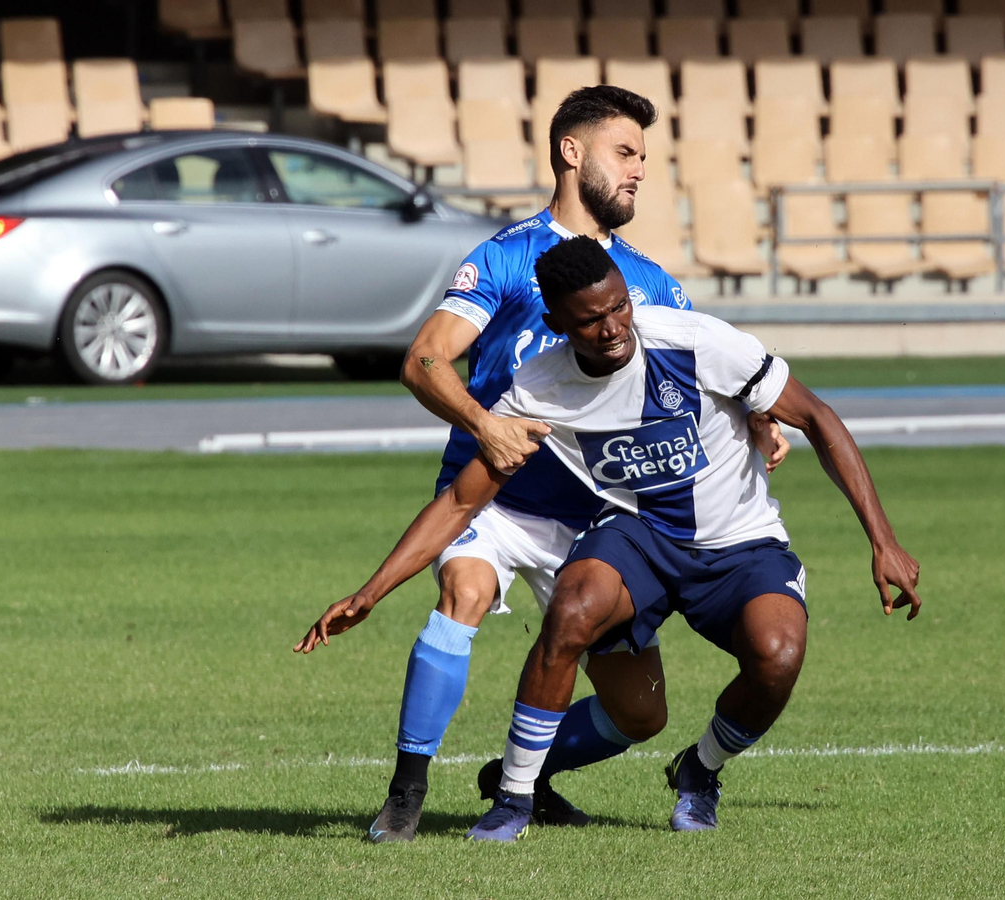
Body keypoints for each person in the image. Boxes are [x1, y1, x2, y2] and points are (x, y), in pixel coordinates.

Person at [297, 236, 922, 841]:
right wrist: (370, 592)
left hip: (742, 540)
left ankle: (699, 771)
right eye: (591, 319)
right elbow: (463, 498)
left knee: (776, 656)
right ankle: (512, 797)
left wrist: (882, 539)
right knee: (570, 612)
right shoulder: (540, 387)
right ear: (556, 322)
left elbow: (816, 415)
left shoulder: (694, 340)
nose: (613, 327)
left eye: (619, 305)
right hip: (639, 534)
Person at [292, 85, 786, 843]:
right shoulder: (507, 258)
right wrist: (484, 427)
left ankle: (520, 777)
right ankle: (406, 792)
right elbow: (426, 361)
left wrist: (758, 424)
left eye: (644, 158)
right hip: (489, 500)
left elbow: (700, 387)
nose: (639, 172)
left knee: (641, 713)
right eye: (626, 153)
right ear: (571, 152)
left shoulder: (651, 286)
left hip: (598, 525)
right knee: (462, 590)